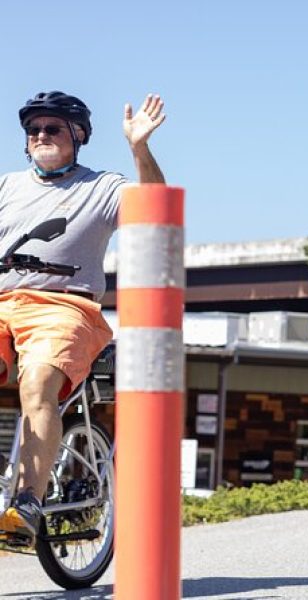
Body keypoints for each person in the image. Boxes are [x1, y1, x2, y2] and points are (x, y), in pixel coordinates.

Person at [0, 91, 166, 545]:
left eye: (52, 128)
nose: (40, 136)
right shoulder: (6, 187)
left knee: (36, 383)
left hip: (64, 306)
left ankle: (27, 502)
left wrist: (140, 149)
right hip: (2, 304)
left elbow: (155, 206)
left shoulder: (102, 187)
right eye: (33, 130)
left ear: (78, 135)